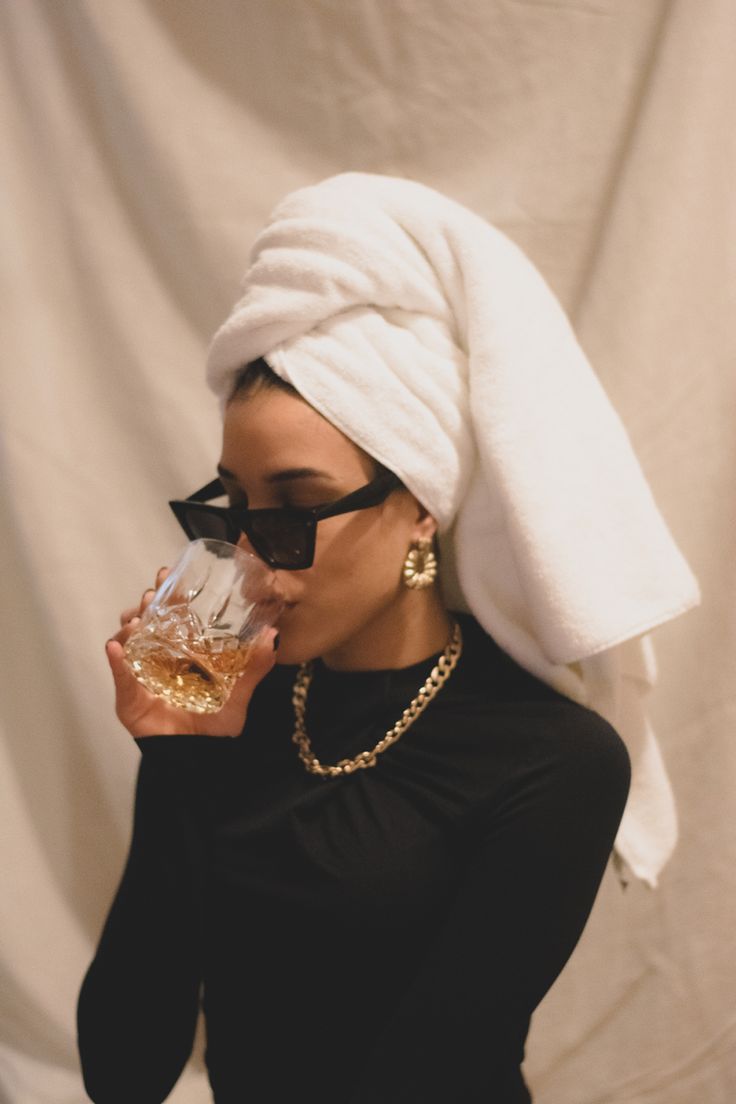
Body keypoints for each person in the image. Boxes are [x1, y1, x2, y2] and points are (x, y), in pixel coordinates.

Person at [76, 173, 698, 1103]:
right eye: (232, 508)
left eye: (298, 506)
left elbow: (430, 1074)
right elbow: (123, 1072)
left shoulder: (552, 759)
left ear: (418, 508)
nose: (249, 553)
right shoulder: (229, 710)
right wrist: (175, 756)